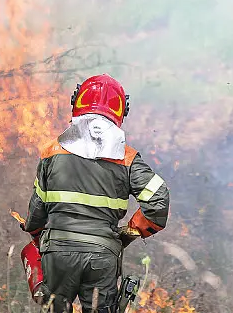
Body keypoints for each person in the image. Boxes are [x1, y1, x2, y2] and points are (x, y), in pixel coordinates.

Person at [21, 74, 170, 313]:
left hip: (58, 252)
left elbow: (36, 214)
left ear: (77, 102)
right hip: (102, 256)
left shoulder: (51, 152)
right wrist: (129, 233)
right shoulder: (127, 158)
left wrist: (39, 237)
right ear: (121, 111)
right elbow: (158, 201)